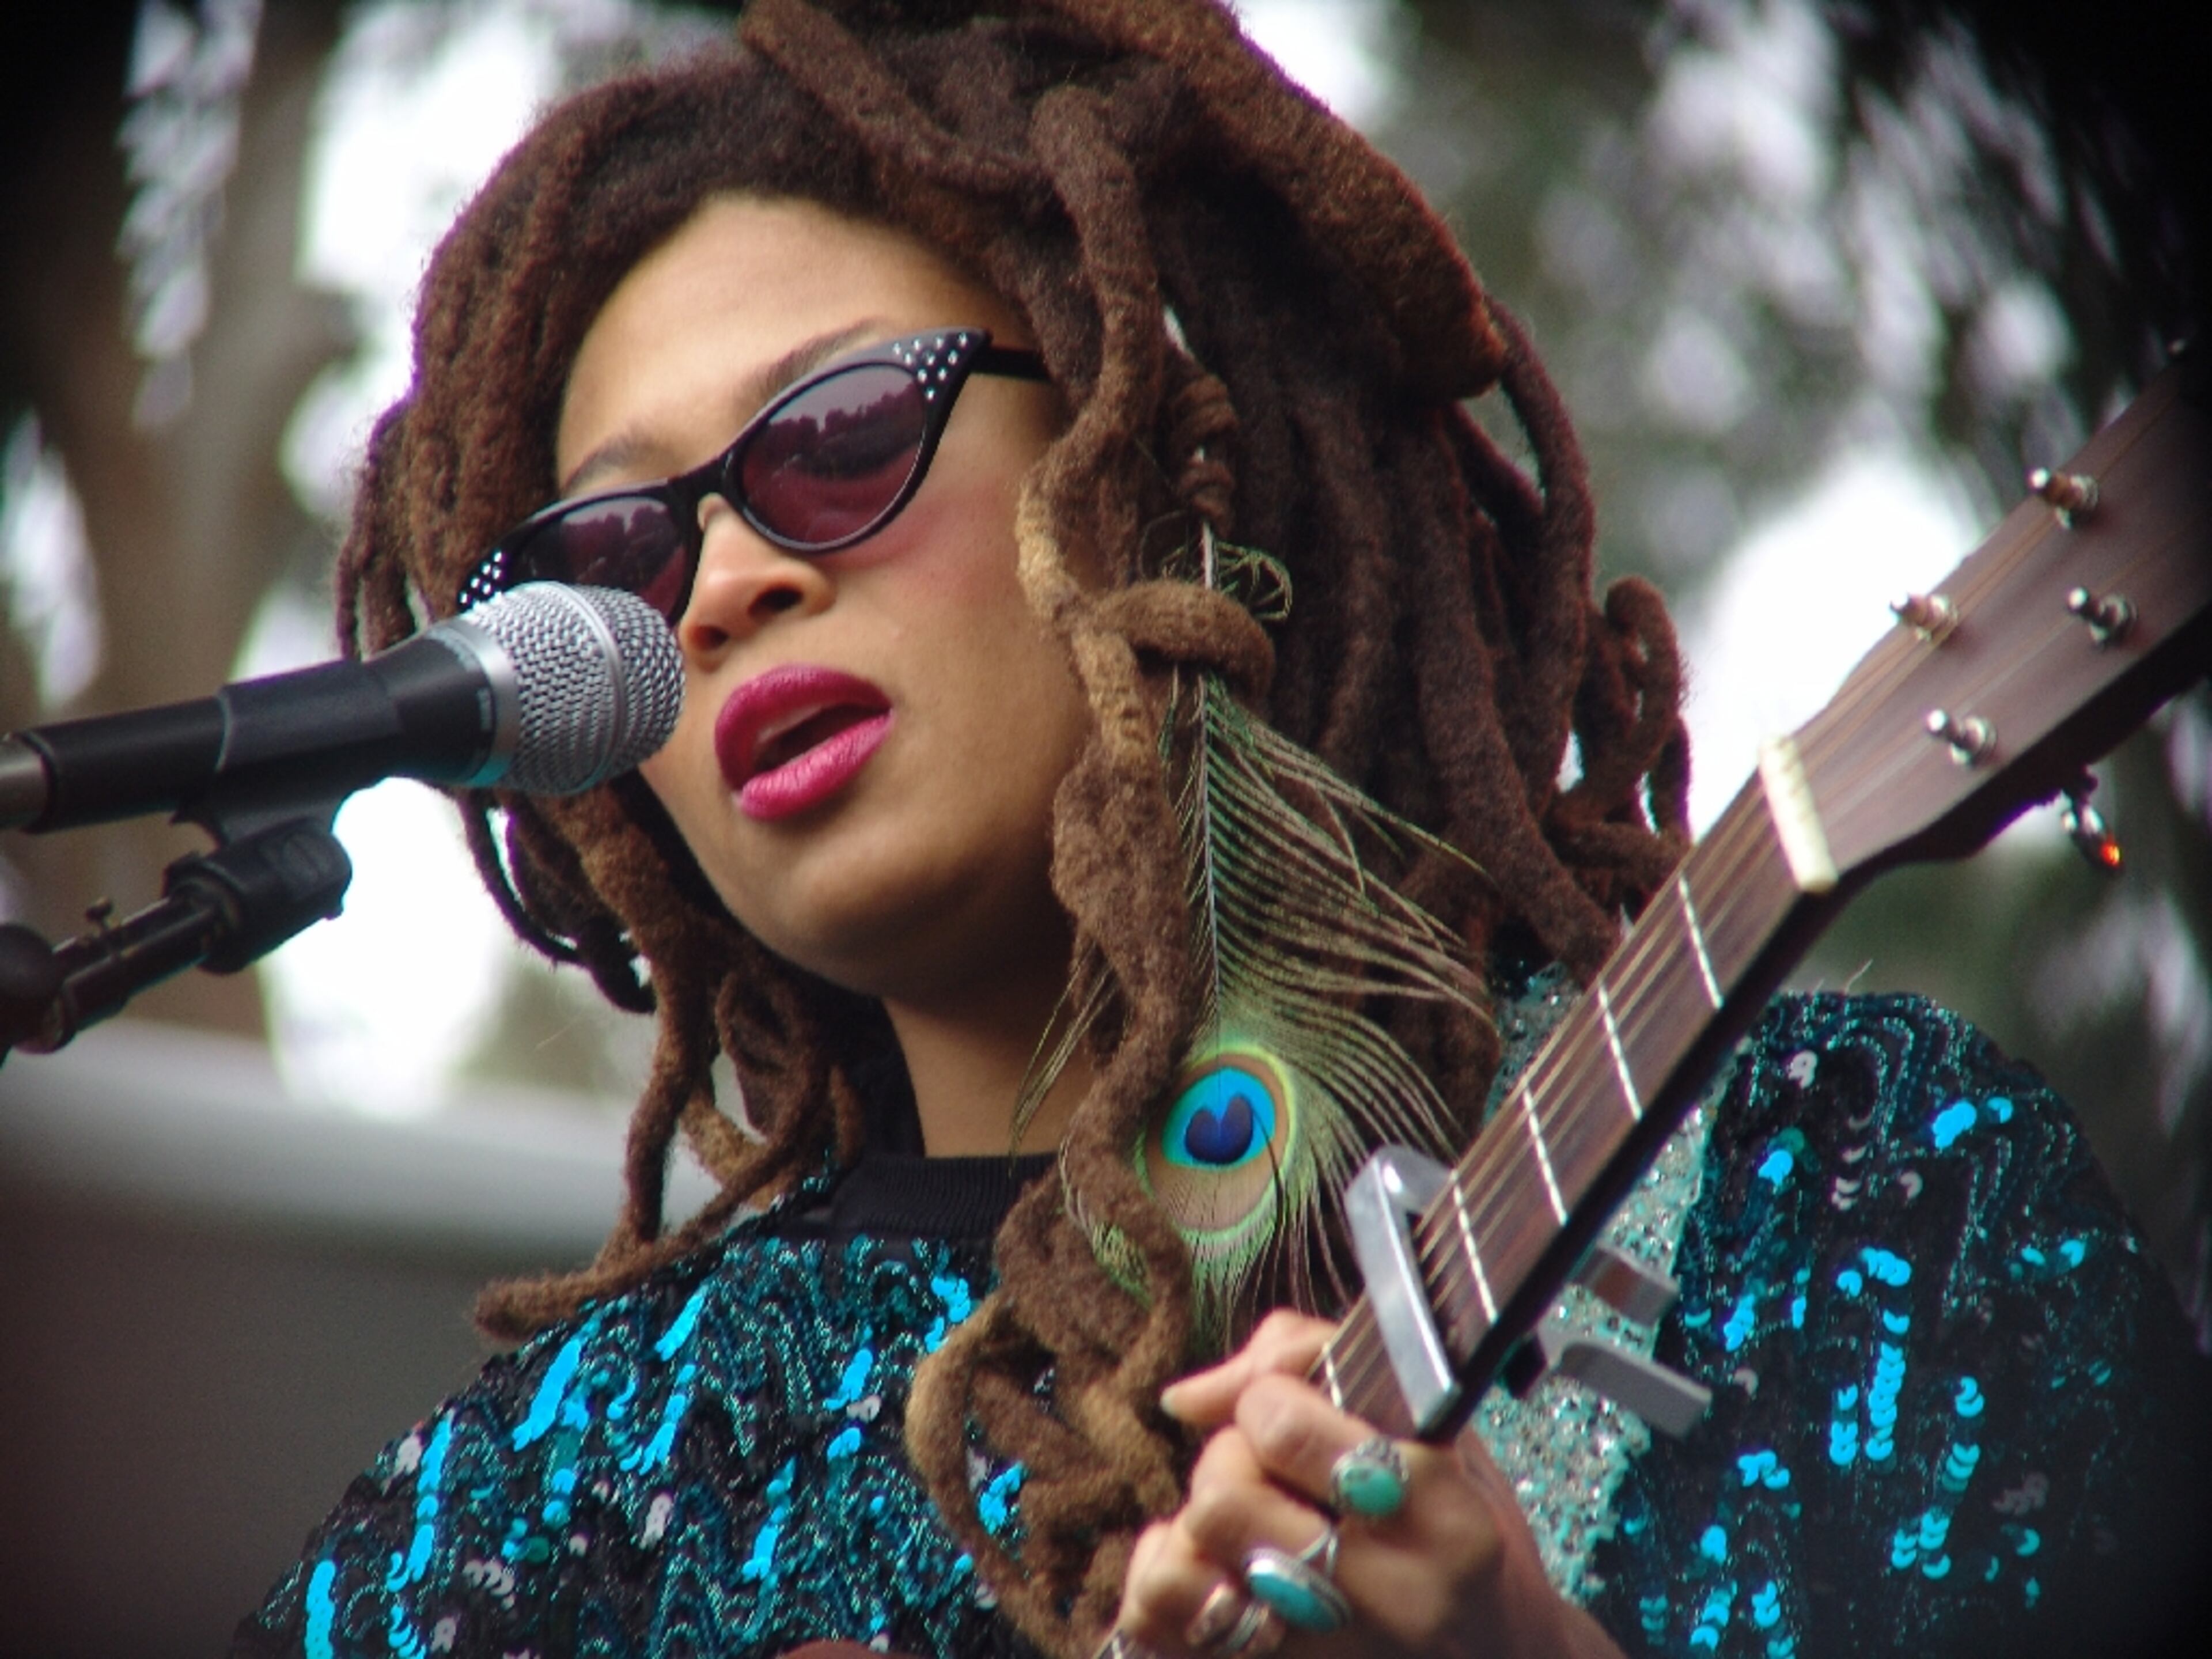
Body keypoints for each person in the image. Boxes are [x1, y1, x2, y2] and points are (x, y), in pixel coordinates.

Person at [233, 2, 2208, 1656]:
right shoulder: (535, 1504)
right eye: (615, 547)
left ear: (1168, 469)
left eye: (834, 440)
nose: (726, 582)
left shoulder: (1839, 1187)